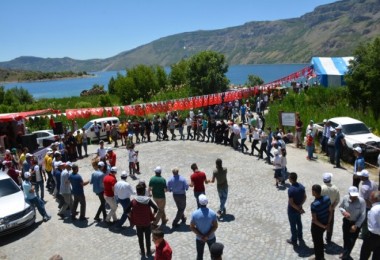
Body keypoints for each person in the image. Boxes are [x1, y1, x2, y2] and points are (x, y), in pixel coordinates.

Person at [128, 183, 158, 258]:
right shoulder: (148, 200)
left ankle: (142, 252)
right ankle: (148, 251)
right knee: (148, 238)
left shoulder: (133, 201)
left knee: (140, 239)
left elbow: (126, 210)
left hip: (138, 224)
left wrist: (132, 217)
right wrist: (152, 215)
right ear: (144, 192)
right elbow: (156, 208)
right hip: (147, 223)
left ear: (137, 192)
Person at [339, 186, 366, 259]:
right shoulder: (345, 198)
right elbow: (340, 207)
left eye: (355, 195)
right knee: (345, 238)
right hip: (346, 222)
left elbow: (363, 215)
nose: (354, 197)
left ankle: (345, 255)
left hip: (355, 223)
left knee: (351, 240)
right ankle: (345, 252)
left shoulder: (361, 201)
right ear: (349, 194)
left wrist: (356, 225)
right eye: (352, 195)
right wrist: (344, 212)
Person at [190, 194, 218, 260]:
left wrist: (202, 236)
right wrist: (207, 236)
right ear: (207, 202)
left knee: (199, 255)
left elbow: (192, 227)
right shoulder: (212, 213)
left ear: (199, 202)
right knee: (214, 255)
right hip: (211, 237)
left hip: (200, 238)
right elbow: (215, 226)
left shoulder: (194, 214)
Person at [310, 184, 332, 260]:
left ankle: (318, 258)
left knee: (317, 243)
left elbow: (314, 220)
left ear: (314, 192)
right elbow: (330, 211)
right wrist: (328, 224)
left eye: (312, 190)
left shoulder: (314, 205)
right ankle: (321, 257)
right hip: (325, 223)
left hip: (317, 227)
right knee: (320, 241)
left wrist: (323, 226)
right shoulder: (327, 198)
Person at [287, 172, 307, 246]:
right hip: (299, 209)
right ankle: (300, 236)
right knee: (299, 223)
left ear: (291, 179)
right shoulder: (301, 186)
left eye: (289, 177)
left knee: (293, 225)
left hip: (292, 211)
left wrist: (298, 208)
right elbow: (305, 197)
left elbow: (291, 203)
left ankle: (294, 239)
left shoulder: (291, 190)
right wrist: (300, 206)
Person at [358, 169, 378, 239]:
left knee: (364, 221)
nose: (359, 177)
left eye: (360, 176)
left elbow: (362, 200)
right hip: (374, 205)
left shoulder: (364, 188)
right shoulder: (373, 183)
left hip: (366, 207)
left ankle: (363, 234)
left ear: (363, 177)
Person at [359, 191, 380, 260]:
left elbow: (374, 229)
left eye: (370, 196)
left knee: (364, 255)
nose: (369, 198)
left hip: (372, 237)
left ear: (375, 198)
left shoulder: (374, 209)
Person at [321, 172, 340, 244]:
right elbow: (337, 200)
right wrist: (332, 207)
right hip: (331, 210)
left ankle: (319, 237)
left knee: (320, 223)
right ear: (330, 180)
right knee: (330, 224)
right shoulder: (335, 188)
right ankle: (328, 238)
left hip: (322, 209)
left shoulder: (322, 188)